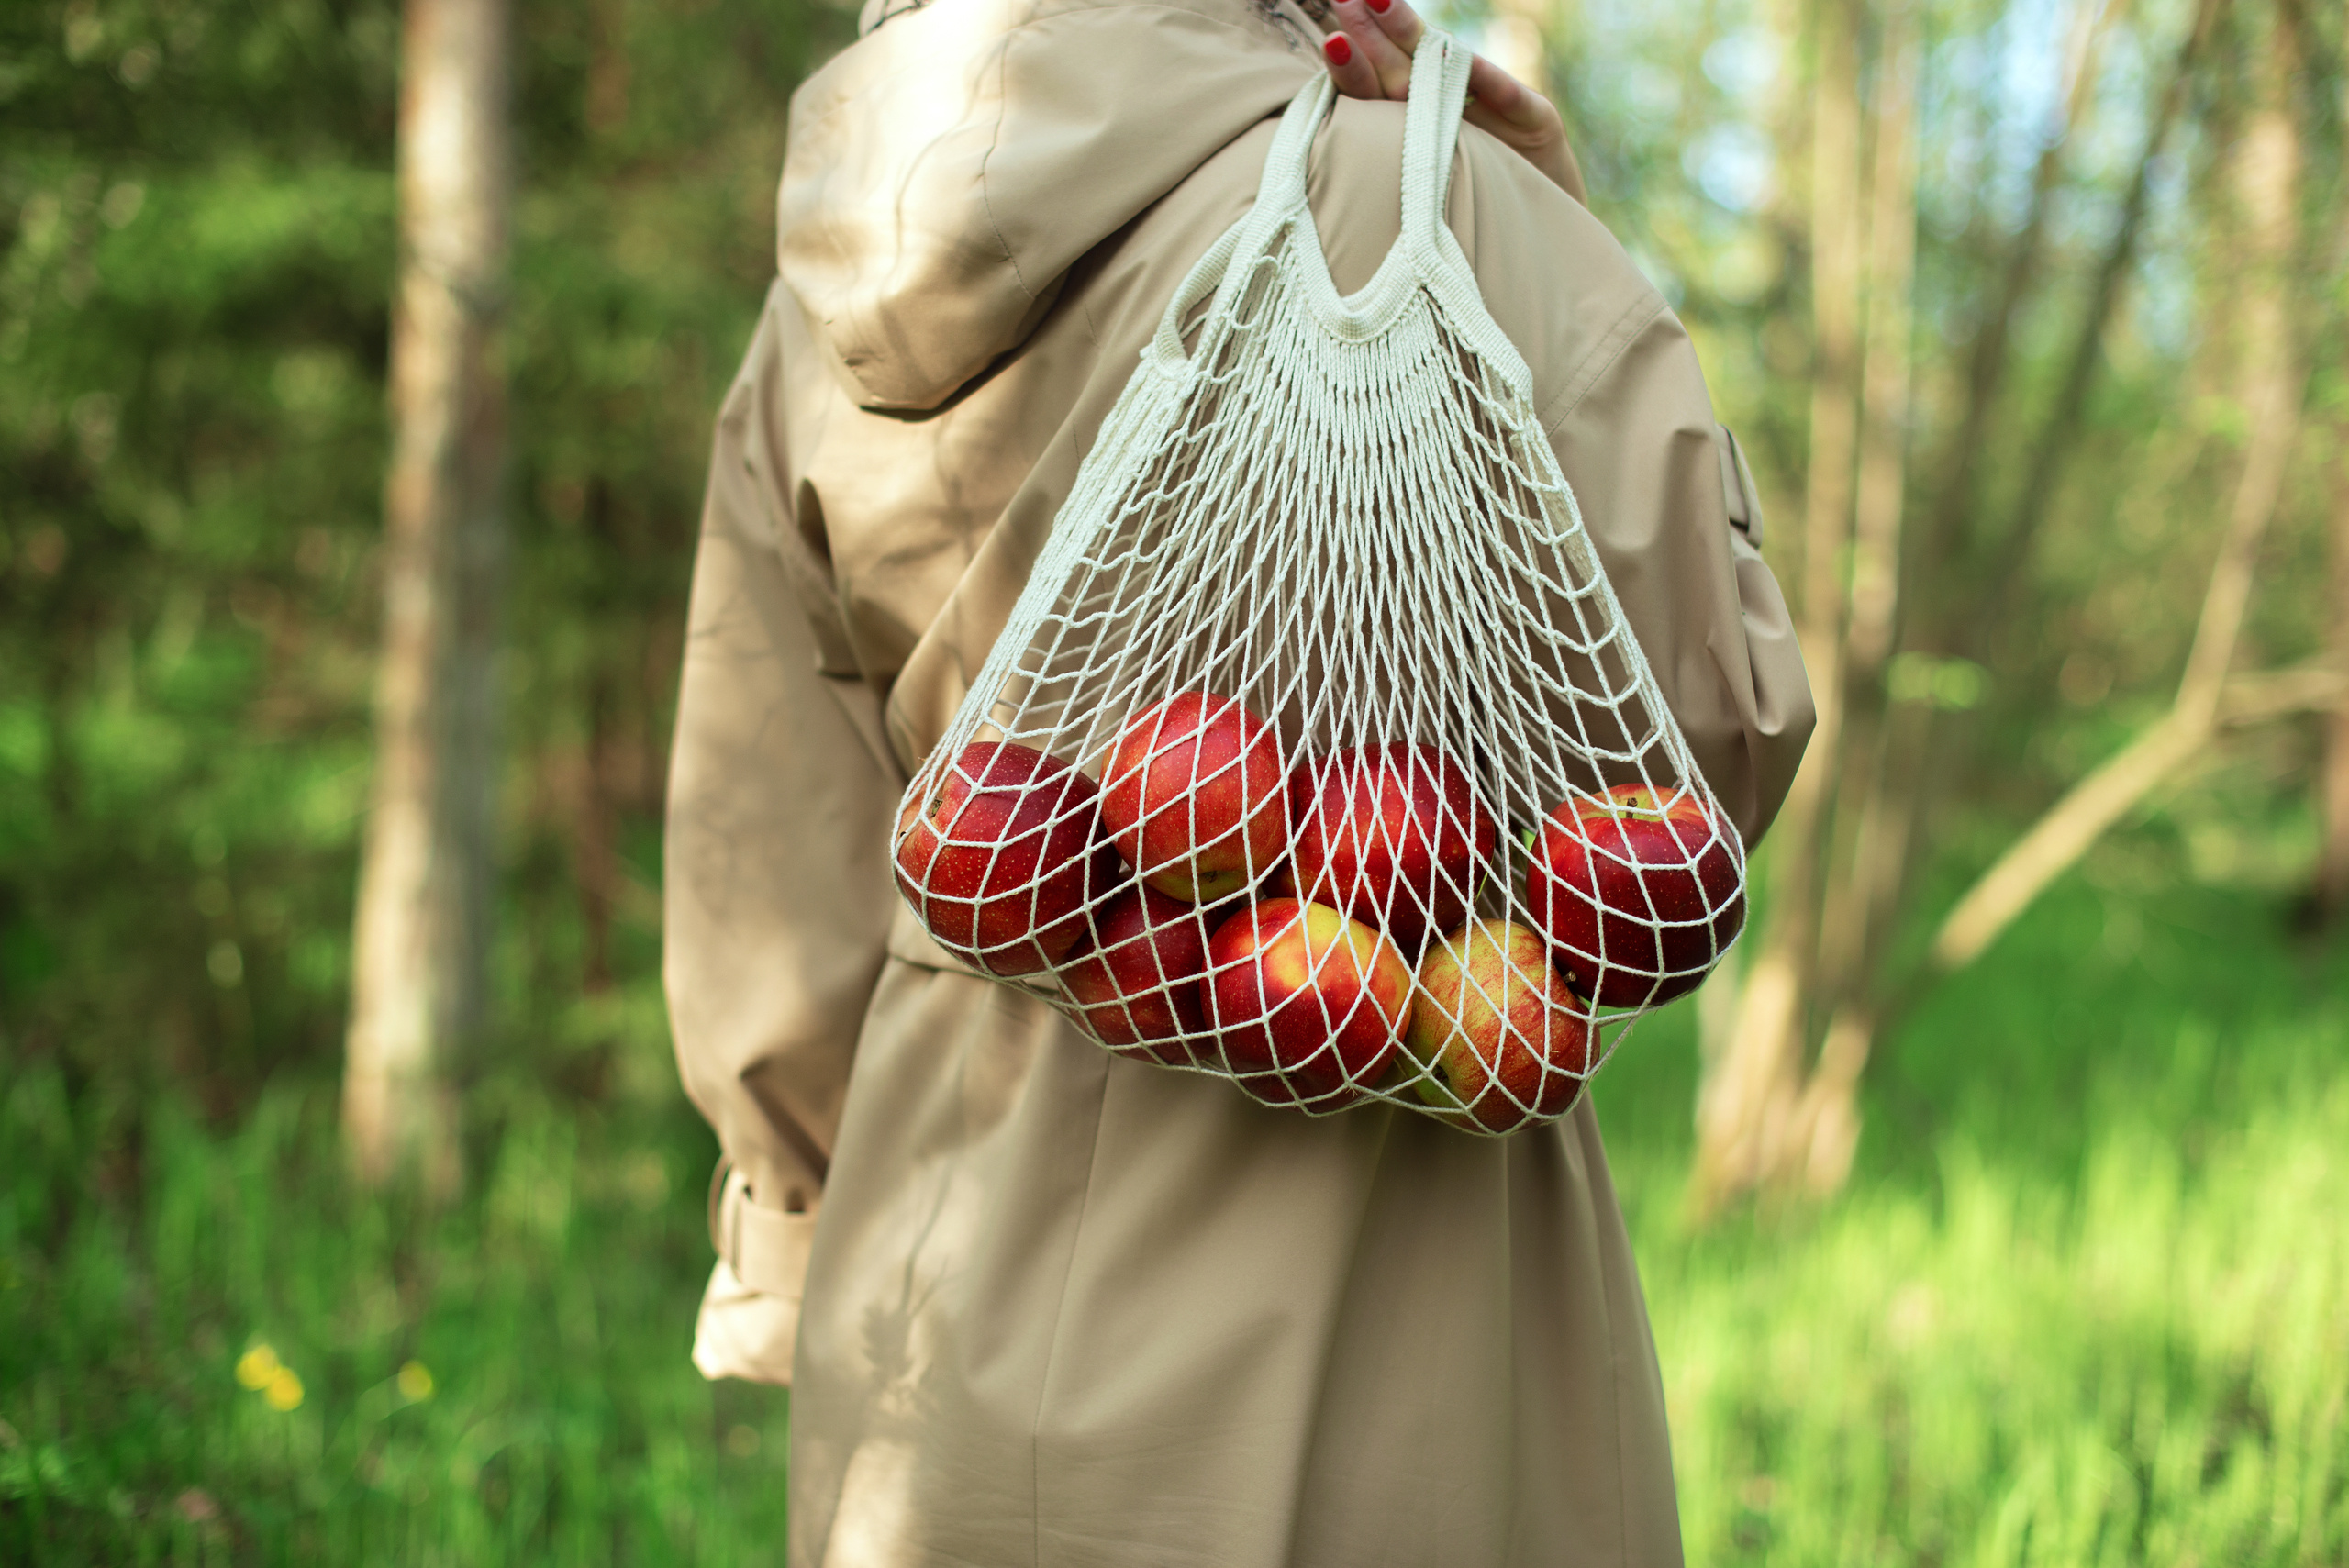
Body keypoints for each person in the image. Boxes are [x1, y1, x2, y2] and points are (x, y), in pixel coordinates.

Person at [664, 0, 1812, 1561]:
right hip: (1401, 1300)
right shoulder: (1435, 199)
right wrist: (1573, 262)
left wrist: (795, 1242)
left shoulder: (821, 296)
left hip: (938, 1290)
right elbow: (1703, 747)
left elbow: (769, 858)